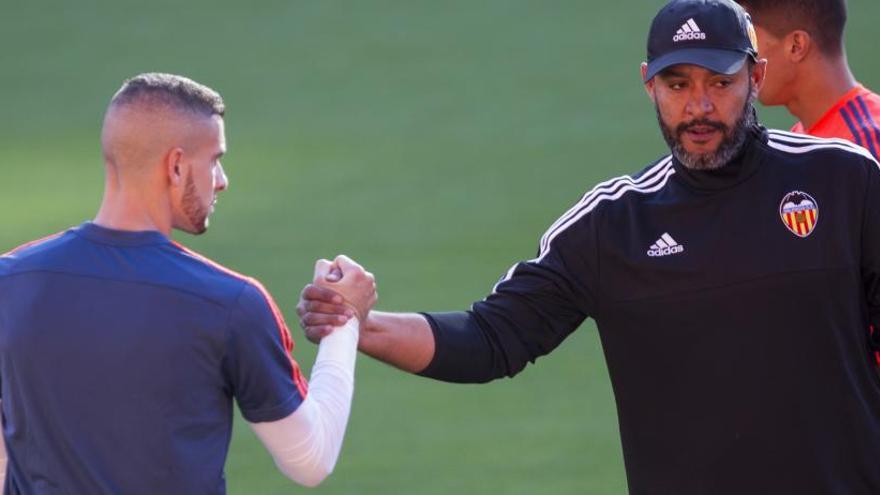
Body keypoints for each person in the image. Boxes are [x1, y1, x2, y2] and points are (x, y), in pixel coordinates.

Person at [299, 0, 880, 493]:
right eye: (678, 85)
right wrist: (362, 325)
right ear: (649, 82)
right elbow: (490, 338)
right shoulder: (611, 226)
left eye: (719, 83)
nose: (698, 106)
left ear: (755, 78)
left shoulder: (844, 178)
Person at [0, 73, 376, 494]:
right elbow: (310, 460)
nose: (221, 180)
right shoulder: (229, 303)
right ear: (176, 166)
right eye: (214, 159)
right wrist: (344, 321)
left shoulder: (10, 281)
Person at [736, 0, 880, 159]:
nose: (744, 57)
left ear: (796, 46)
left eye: (751, 42)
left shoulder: (867, 146)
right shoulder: (801, 137)